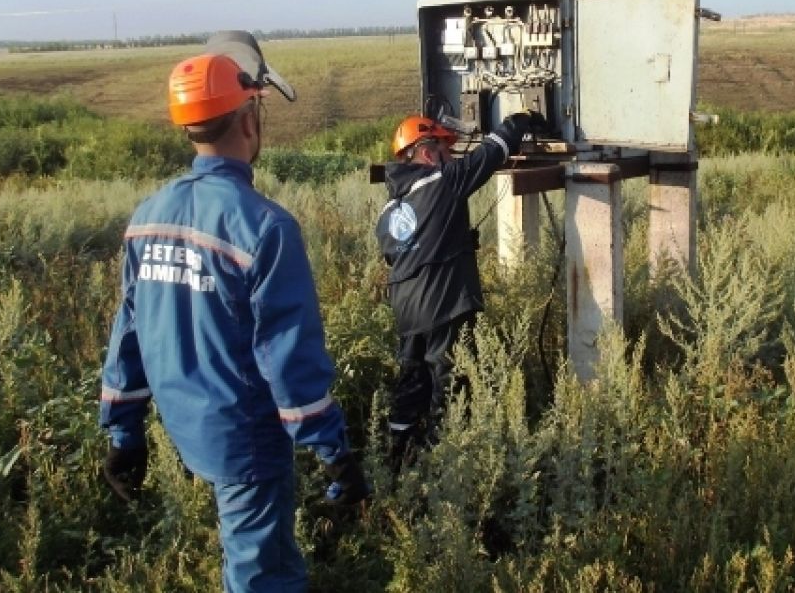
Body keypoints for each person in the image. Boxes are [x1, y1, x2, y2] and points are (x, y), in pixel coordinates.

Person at [98, 30, 369, 593]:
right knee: (263, 575)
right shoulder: (265, 227)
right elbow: (290, 364)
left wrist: (123, 434)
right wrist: (335, 455)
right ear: (249, 120)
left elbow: (127, 334)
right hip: (245, 439)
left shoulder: (149, 216)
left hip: (187, 426)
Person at [376, 111, 536, 468]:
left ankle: (396, 460)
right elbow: (490, 154)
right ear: (428, 153)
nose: (452, 158)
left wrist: (456, 240)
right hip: (443, 302)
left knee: (411, 381)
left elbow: (398, 253)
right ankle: (443, 461)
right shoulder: (441, 181)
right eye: (447, 151)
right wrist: (519, 122)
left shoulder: (389, 210)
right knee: (448, 380)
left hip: (406, 308)